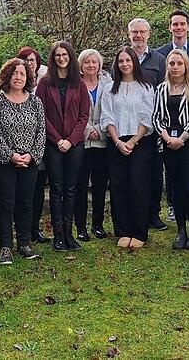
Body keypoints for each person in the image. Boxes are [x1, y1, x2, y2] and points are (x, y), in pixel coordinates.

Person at [0, 58, 47, 264]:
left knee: (26, 202)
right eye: (14, 73)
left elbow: (41, 132)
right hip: (5, 163)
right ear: (7, 76)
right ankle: (5, 245)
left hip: (29, 162)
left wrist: (31, 156)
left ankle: (24, 242)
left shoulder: (35, 102)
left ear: (28, 77)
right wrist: (11, 155)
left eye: (22, 73)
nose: (18, 77)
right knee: (6, 203)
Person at [36, 41, 90, 252]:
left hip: (74, 144)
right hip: (53, 145)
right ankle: (58, 234)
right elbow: (41, 114)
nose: (61, 58)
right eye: (57, 55)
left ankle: (69, 233)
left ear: (71, 57)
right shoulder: (44, 83)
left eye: (65, 54)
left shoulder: (79, 83)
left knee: (71, 188)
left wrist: (71, 139)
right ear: (53, 58)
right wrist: (58, 139)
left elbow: (84, 115)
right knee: (57, 189)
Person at [153, 49, 189, 250]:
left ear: (186, 65)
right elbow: (156, 117)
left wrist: (182, 138)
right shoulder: (161, 89)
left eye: (179, 63)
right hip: (168, 144)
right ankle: (180, 231)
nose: (175, 67)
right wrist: (167, 137)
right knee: (175, 189)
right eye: (171, 64)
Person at [100, 47, 155, 250]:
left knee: (138, 186)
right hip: (116, 142)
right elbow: (107, 116)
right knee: (119, 186)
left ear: (134, 62)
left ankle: (139, 232)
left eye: (128, 61)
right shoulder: (109, 88)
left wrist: (132, 141)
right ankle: (122, 230)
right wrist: (117, 142)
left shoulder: (146, 87)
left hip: (140, 142)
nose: (124, 64)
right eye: (121, 61)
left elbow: (147, 116)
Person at [128, 17, 169, 231]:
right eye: (134, 32)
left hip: (152, 127)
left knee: (154, 171)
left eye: (142, 32)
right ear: (129, 35)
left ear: (149, 34)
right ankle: (132, 213)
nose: (138, 35)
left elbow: (163, 92)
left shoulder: (159, 60)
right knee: (131, 172)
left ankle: (153, 213)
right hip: (127, 126)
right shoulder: (124, 58)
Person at [74, 49, 112, 241]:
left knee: (99, 186)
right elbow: (73, 112)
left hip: (103, 142)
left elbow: (112, 109)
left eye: (94, 62)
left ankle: (98, 224)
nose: (91, 65)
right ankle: (80, 227)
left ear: (99, 64)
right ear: (81, 65)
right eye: (87, 62)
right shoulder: (75, 84)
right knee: (80, 185)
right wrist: (89, 130)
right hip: (82, 142)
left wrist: (100, 129)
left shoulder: (109, 84)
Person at [17, 46, 50, 244]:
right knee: (21, 193)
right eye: (26, 60)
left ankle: (34, 228)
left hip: (41, 144)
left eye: (33, 60)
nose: (30, 63)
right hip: (19, 150)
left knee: (38, 190)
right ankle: (22, 230)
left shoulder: (45, 81)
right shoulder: (16, 81)